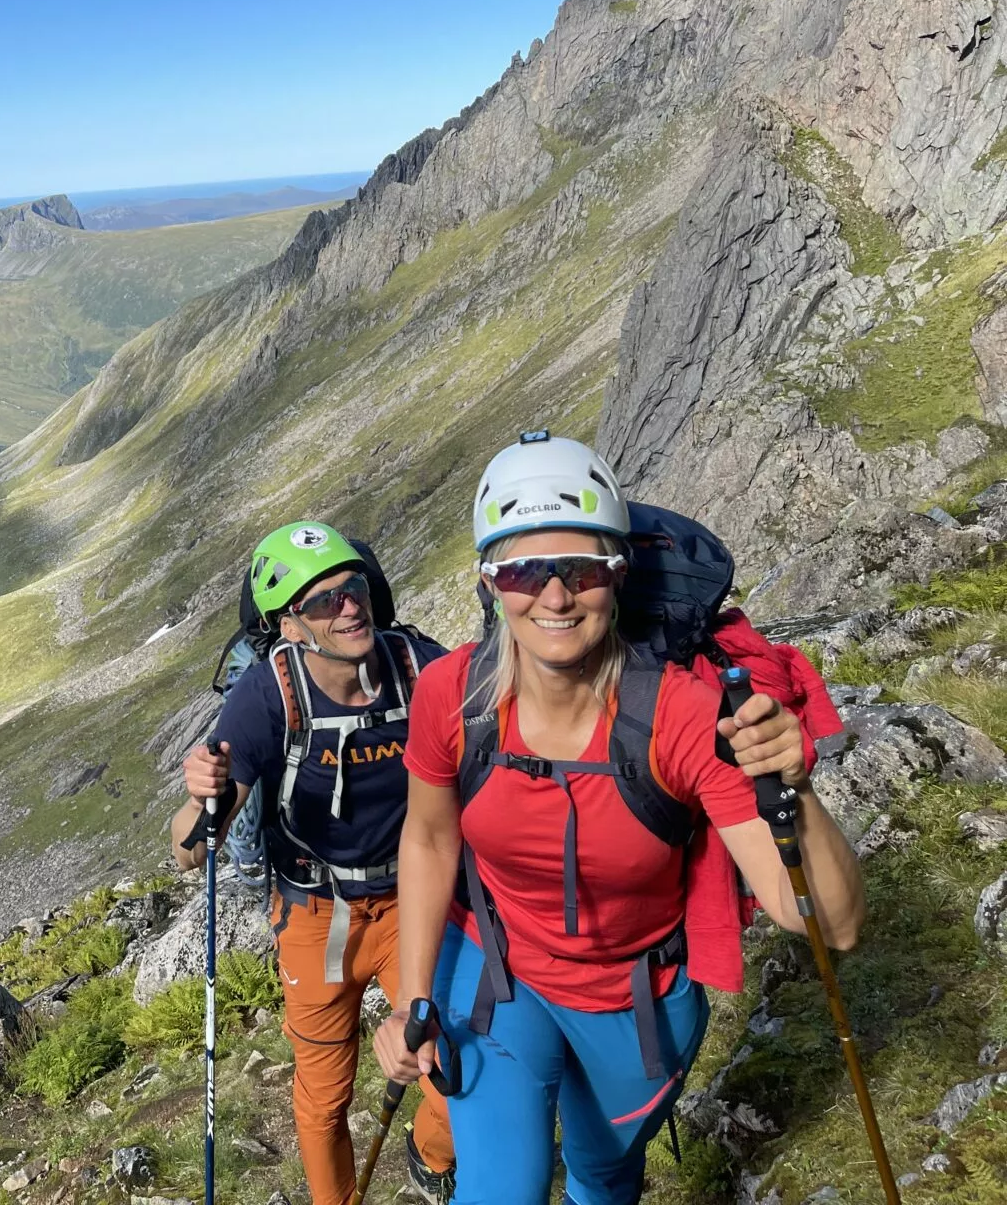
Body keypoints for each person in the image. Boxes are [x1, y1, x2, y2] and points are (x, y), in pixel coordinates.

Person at [372, 435, 866, 1205]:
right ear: (489, 583)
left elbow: (832, 926)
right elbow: (431, 837)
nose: (555, 596)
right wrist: (410, 1001)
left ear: (619, 573)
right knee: (501, 1192)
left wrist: (792, 789)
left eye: (582, 569)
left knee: (605, 1183)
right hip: (494, 977)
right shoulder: (453, 696)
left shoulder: (683, 717)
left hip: (635, 1001)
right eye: (523, 570)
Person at [173, 521, 457, 1205]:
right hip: (315, 914)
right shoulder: (267, 695)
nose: (348, 606)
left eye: (353, 587)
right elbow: (190, 852)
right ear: (291, 625)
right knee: (324, 1097)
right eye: (323, 600)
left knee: (452, 1064)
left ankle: (431, 1154)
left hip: (416, 900)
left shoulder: (419, 665)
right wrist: (198, 802)